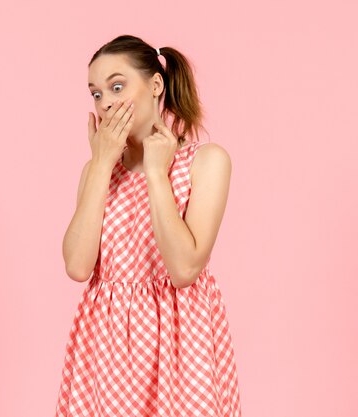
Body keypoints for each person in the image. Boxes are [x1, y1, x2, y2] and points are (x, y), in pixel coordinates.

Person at [55, 34, 242, 417]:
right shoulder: (97, 171)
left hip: (179, 346)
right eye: (95, 93)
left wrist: (157, 174)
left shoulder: (206, 162)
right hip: (107, 350)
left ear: (155, 85)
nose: (105, 102)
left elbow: (185, 268)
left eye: (117, 86)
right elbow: (77, 266)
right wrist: (103, 164)